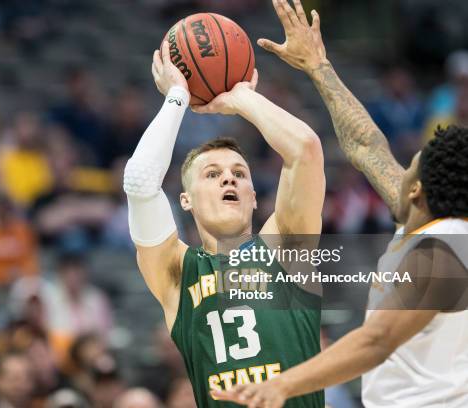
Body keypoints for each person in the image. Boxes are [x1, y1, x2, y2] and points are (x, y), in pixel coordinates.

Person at [213, 0, 468, 406]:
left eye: (411, 169)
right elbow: (369, 147)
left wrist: (282, 384)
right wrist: (318, 66)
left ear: (418, 191)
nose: (400, 173)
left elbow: (378, 339)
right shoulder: (436, 227)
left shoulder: (443, 247)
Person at [123, 37, 326, 407]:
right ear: (185, 200)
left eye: (239, 173)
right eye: (212, 174)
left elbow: (305, 150)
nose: (229, 179)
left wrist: (239, 98)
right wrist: (177, 97)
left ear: (253, 196)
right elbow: (139, 182)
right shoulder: (177, 272)